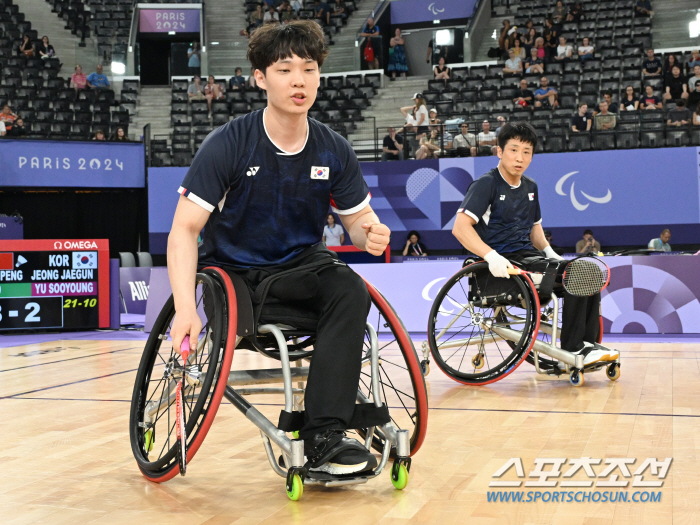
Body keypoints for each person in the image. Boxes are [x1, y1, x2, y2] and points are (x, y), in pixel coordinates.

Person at [170, 21, 390, 476]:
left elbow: (355, 223)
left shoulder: (334, 149)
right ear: (259, 78)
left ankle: (325, 436)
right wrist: (184, 308)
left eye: (309, 70)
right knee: (321, 286)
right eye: (285, 69)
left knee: (351, 290)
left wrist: (370, 233)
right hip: (236, 276)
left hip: (298, 269)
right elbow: (184, 231)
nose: (298, 81)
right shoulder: (228, 144)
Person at [453, 122, 617, 366]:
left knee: (589, 269)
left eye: (526, 152)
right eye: (513, 150)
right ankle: (573, 349)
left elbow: (535, 229)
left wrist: (552, 253)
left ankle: (589, 344)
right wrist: (491, 257)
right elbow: (460, 228)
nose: (520, 158)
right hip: (501, 264)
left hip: (528, 256)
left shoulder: (531, 187)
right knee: (576, 273)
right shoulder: (486, 184)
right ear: (500, 151)